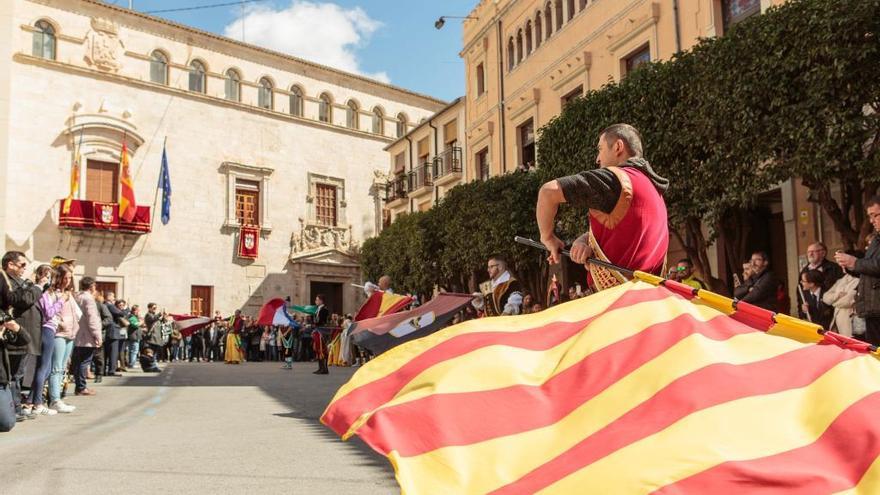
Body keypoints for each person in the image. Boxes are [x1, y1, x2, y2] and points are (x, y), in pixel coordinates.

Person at [537, 124, 669, 291]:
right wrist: (584, 241)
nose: (597, 159)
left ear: (618, 147)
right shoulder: (654, 189)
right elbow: (624, 228)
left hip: (616, 304)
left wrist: (548, 238)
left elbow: (547, 192)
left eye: (600, 149)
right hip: (651, 301)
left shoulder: (616, 180)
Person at [1, 251, 44, 421]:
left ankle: (16, 407)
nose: (25, 269)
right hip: (13, 334)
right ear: (10, 264)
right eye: (22, 265)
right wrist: (37, 287)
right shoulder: (7, 281)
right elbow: (22, 300)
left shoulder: (19, 282)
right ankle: (14, 408)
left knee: (17, 374)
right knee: (12, 375)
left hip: (22, 334)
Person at [835, 197, 880, 346]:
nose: (872, 221)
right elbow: (868, 269)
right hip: (872, 308)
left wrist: (856, 262)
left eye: (875, 215)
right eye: (869, 216)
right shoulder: (876, 240)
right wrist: (850, 266)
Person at [25, 265, 60, 416]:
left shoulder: (44, 292)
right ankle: (37, 403)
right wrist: (61, 302)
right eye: (46, 275)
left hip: (48, 329)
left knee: (46, 367)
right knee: (44, 367)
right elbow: (49, 313)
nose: (48, 279)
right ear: (39, 275)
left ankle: (30, 402)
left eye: (50, 276)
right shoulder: (40, 292)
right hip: (46, 329)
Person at [46, 264, 78, 413]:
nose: (67, 281)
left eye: (69, 278)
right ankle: (54, 400)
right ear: (58, 278)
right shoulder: (53, 293)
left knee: (63, 367)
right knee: (56, 367)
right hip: (59, 333)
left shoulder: (69, 293)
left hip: (71, 334)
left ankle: (57, 397)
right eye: (65, 277)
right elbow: (49, 313)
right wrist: (60, 323)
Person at [71, 277, 101, 396]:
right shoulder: (89, 299)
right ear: (91, 286)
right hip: (86, 335)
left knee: (79, 362)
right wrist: (97, 335)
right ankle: (81, 387)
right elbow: (92, 318)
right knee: (85, 361)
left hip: (77, 334)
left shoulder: (77, 297)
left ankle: (79, 386)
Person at [797, 242, 843, 320]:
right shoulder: (804, 271)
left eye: (813, 251)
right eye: (808, 252)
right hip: (811, 315)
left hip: (830, 314)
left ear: (823, 253)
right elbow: (800, 293)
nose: (810, 254)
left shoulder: (834, 268)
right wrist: (802, 313)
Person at [0, 318, 29, 431]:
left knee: (8, 423)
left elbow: (26, 340)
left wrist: (17, 328)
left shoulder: (4, 333)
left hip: (2, 384)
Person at [822, 268, 860, 337]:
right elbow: (825, 297)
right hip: (836, 320)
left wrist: (833, 303)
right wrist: (837, 295)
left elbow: (847, 301)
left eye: (843, 263)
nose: (841, 266)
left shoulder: (859, 280)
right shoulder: (841, 280)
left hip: (849, 321)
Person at [312, 294, 330, 374]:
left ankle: (324, 368)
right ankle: (320, 367)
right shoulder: (317, 309)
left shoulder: (324, 309)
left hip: (321, 331)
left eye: (317, 300)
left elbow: (320, 321)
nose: (315, 301)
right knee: (317, 349)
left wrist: (314, 323)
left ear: (321, 301)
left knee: (322, 349)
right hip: (317, 330)